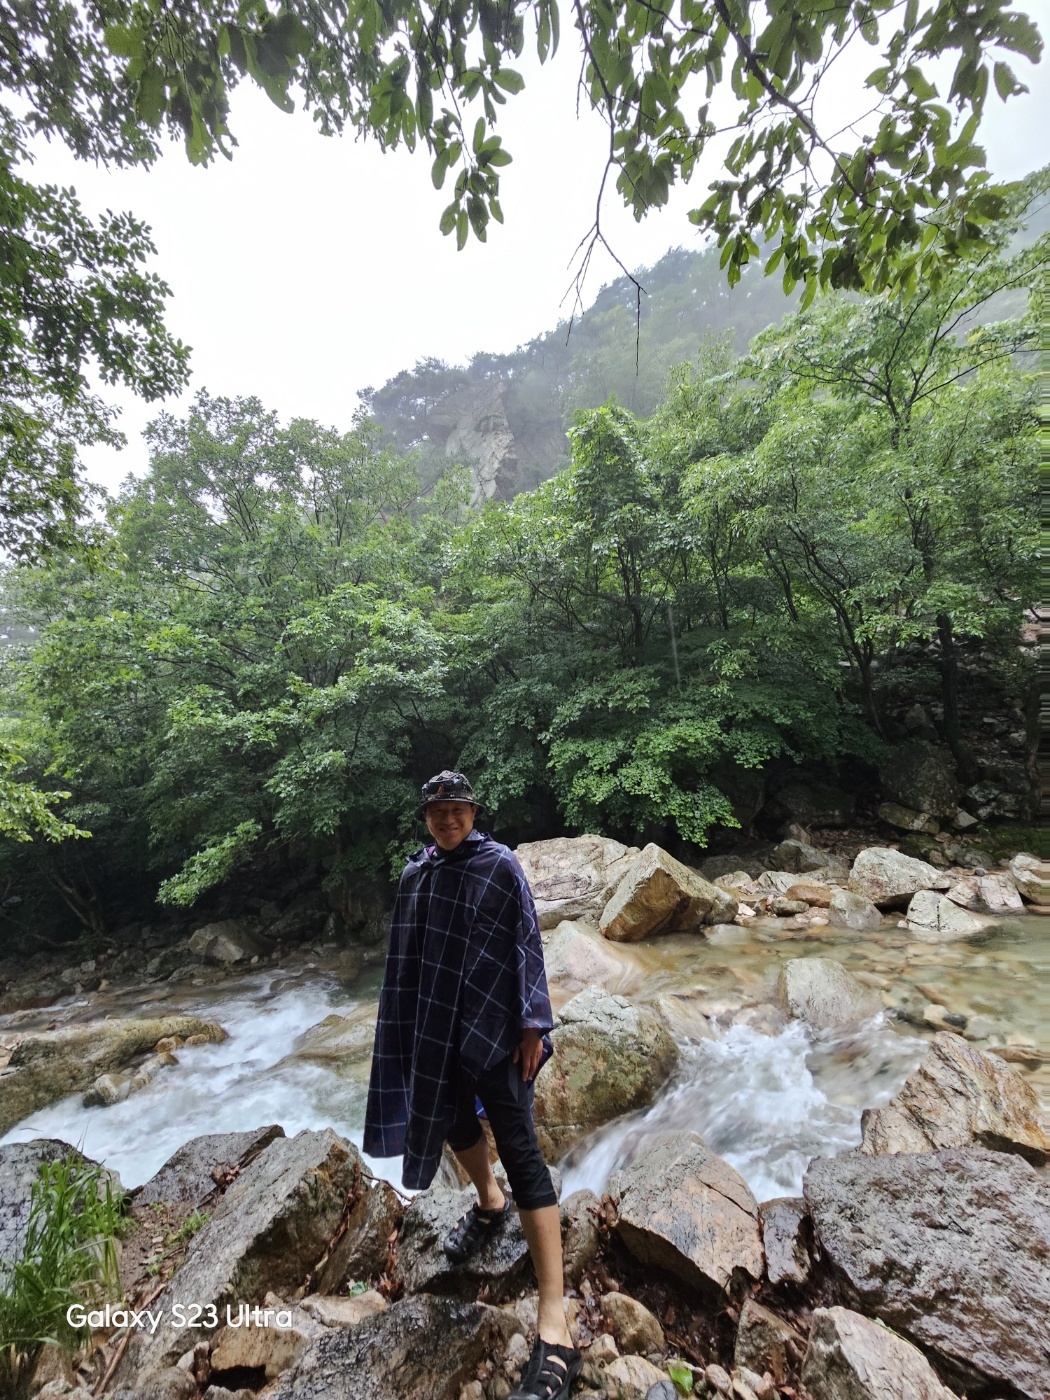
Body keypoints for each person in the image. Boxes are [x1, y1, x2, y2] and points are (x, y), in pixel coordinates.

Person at [364, 770, 581, 1400]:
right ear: (426, 819)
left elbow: (526, 944)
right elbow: (404, 967)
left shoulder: (500, 867)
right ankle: (488, 1202)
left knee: (520, 1147)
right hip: (436, 1032)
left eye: (457, 809)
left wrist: (534, 1025)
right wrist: (403, 1038)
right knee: (454, 1121)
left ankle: (555, 1318)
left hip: (495, 1030)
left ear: (473, 812)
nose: (447, 820)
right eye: (437, 813)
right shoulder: (417, 876)